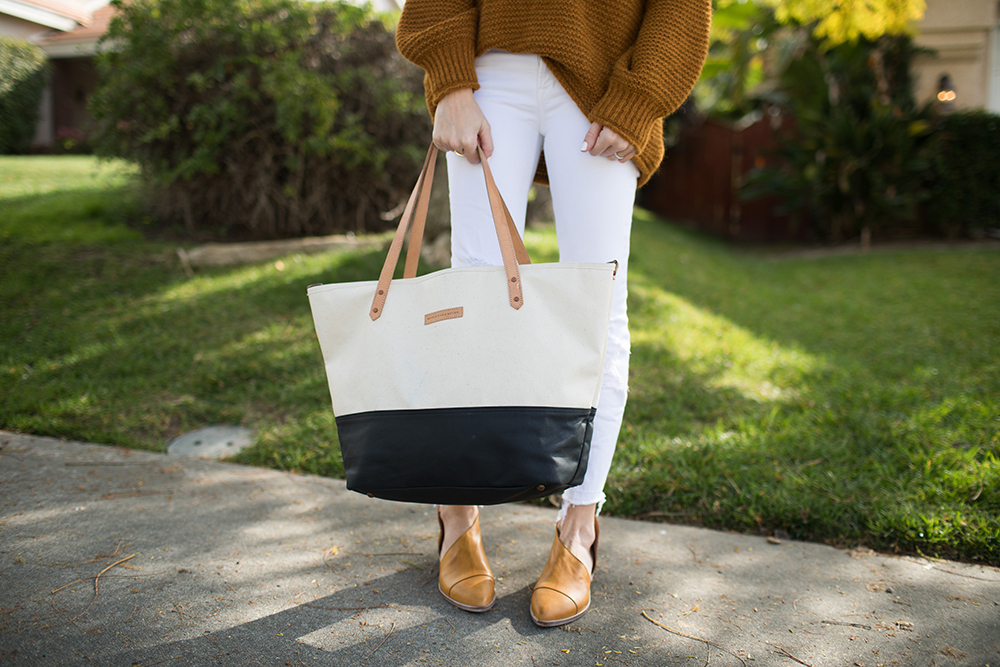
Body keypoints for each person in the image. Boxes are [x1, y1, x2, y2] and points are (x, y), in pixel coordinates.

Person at [395, 0, 711, 627]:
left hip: (601, 85)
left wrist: (640, 98)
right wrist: (450, 82)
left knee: (596, 313)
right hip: (488, 71)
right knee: (473, 305)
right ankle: (455, 513)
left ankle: (580, 523)